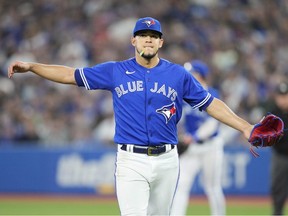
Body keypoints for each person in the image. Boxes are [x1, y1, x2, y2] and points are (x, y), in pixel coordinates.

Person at [8, 17, 254, 216]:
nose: (149, 39)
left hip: (168, 159)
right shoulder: (115, 71)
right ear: (133, 40)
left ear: (161, 43)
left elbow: (210, 104)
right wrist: (33, 67)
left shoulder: (178, 75)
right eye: (144, 36)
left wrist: (245, 127)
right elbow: (70, 75)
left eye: (154, 36)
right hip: (131, 161)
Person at [171, 60, 226, 216]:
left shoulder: (213, 94)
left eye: (191, 72)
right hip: (192, 148)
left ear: (200, 75)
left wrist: (194, 136)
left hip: (211, 146)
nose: (187, 75)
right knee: (181, 185)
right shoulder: (183, 95)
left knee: (212, 187)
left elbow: (213, 124)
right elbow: (176, 117)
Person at [268, 81, 288, 215]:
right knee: (278, 189)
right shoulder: (273, 113)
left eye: (285, 96)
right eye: (280, 96)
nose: (283, 99)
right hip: (280, 156)